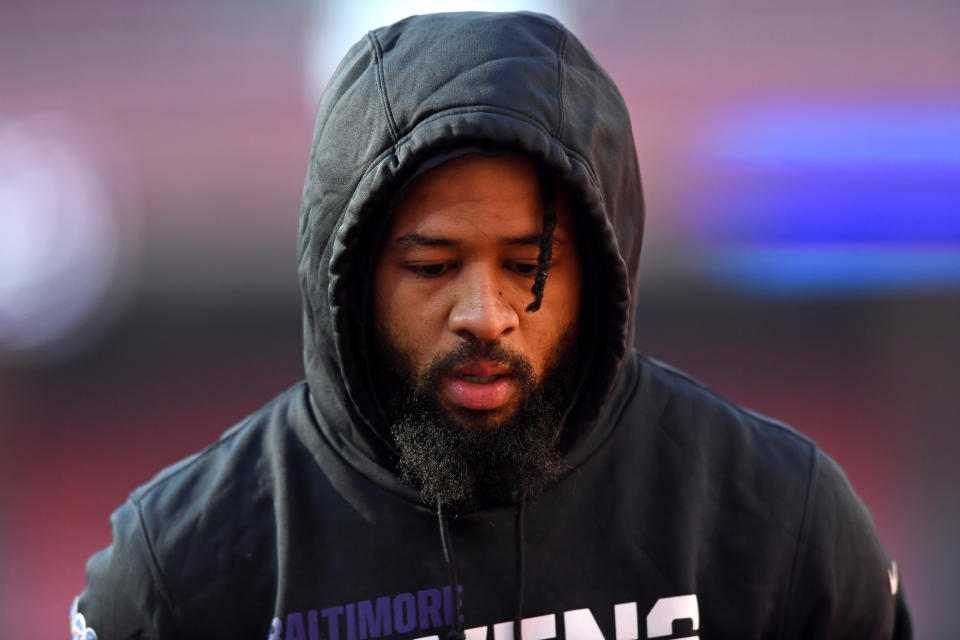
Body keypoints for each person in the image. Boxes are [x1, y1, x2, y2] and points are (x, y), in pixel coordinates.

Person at [73, 11, 911, 640]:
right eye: (433, 266)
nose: (485, 316)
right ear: (351, 275)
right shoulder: (178, 572)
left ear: (603, 267)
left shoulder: (780, 519)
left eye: (527, 265)